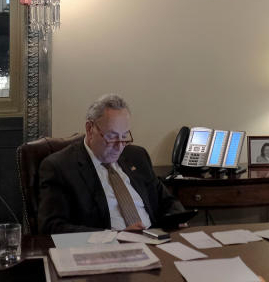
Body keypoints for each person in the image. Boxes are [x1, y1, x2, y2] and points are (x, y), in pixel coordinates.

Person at [38, 94, 187, 234]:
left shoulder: (137, 156)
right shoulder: (60, 167)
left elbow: (167, 201)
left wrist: (177, 217)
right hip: (105, 251)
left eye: (124, 136)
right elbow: (52, 226)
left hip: (155, 240)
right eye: (112, 137)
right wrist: (115, 237)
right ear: (90, 129)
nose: (120, 146)